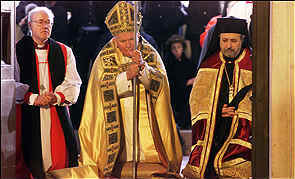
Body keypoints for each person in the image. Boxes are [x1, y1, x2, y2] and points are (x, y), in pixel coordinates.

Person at [77, 1, 182, 178]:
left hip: (146, 120)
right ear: (115, 39)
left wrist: (143, 70)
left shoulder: (149, 52)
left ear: (138, 34)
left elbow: (161, 85)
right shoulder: (105, 56)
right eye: (122, 41)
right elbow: (98, 90)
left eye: (131, 40)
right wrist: (126, 75)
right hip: (119, 116)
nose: (127, 45)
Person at [182, 17, 252, 178]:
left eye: (234, 41)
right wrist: (218, 110)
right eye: (224, 40)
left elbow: (258, 98)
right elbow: (197, 100)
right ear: (218, 40)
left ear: (242, 40)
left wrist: (236, 111)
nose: (228, 45)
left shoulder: (252, 63)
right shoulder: (209, 64)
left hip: (242, 128)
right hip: (214, 127)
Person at [15, 7, 82, 178]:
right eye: (40, 22)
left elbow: (73, 81)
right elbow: (12, 83)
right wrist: (33, 98)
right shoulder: (17, 50)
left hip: (56, 110)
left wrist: (57, 96)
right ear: (30, 24)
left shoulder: (64, 51)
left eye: (48, 23)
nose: (45, 26)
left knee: (61, 159)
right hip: (28, 112)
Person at [165, 34, 197, 129]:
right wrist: (187, 82)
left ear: (183, 48)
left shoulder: (188, 63)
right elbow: (172, 83)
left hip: (187, 97)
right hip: (175, 98)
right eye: (174, 48)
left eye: (179, 47)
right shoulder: (168, 64)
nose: (176, 50)